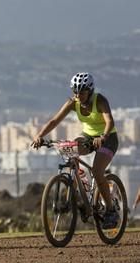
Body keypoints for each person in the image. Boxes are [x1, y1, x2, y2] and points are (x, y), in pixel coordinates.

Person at [31, 72, 119, 229]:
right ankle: (79, 191)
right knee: (69, 150)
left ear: (90, 91)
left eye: (82, 92)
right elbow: (54, 121)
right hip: (88, 136)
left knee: (98, 172)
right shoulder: (73, 102)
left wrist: (103, 137)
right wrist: (39, 136)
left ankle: (111, 210)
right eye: (75, 92)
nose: (78, 95)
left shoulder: (100, 100)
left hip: (108, 139)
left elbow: (109, 121)